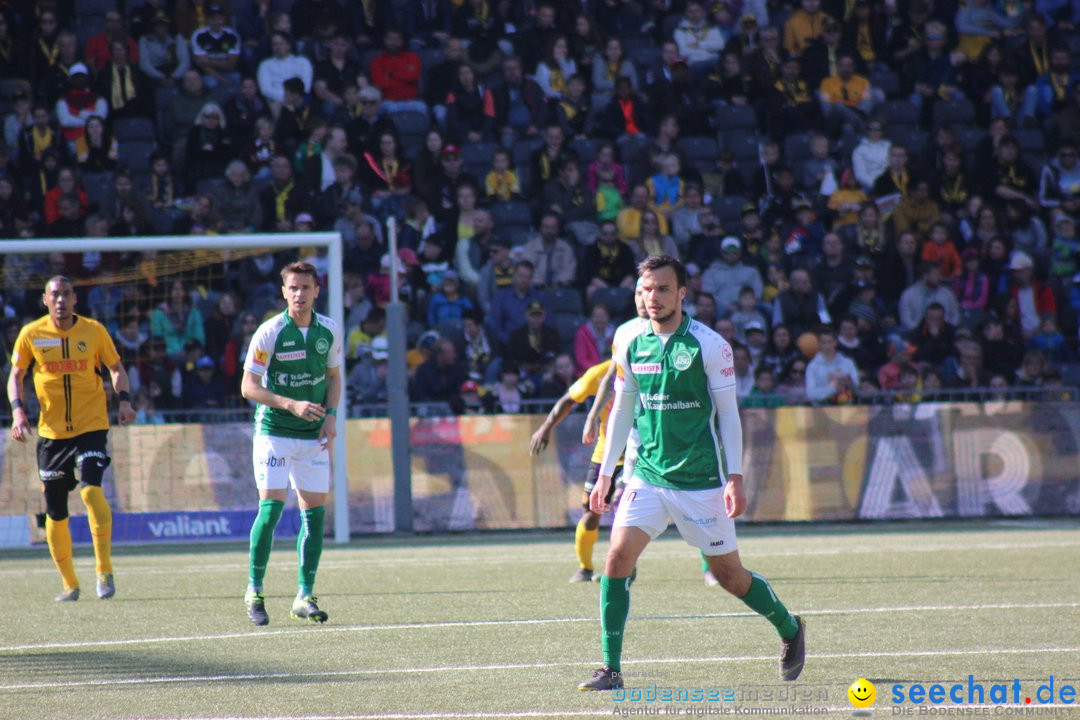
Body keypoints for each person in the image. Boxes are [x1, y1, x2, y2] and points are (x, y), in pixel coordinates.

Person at [579, 255, 805, 691]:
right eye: (646, 290)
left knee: (730, 578)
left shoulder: (709, 345)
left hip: (700, 480)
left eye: (663, 289)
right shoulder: (627, 338)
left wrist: (735, 476)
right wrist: (608, 471)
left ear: (682, 293)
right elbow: (623, 406)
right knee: (617, 559)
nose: (653, 297)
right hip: (645, 474)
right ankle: (611, 668)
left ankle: (790, 628)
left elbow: (728, 415)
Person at [7, 276, 136, 601]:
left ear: (75, 298)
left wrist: (124, 401)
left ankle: (103, 570)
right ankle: (69, 584)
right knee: (55, 511)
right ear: (45, 299)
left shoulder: (93, 331)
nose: (61, 299)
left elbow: (116, 368)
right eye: (55, 294)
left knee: (91, 491)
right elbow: (16, 375)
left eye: (66, 293)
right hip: (51, 436)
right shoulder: (31, 334)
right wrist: (18, 412)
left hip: (91, 427)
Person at [240, 262, 343, 626]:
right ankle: (254, 589)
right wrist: (290, 403)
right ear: (284, 292)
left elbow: (333, 377)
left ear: (317, 291)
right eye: (293, 288)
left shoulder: (329, 331)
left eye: (306, 287)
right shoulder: (269, 332)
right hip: (274, 432)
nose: (299, 294)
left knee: (314, 517)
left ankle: (305, 595)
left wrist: (330, 414)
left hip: (312, 435)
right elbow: (248, 387)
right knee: (271, 510)